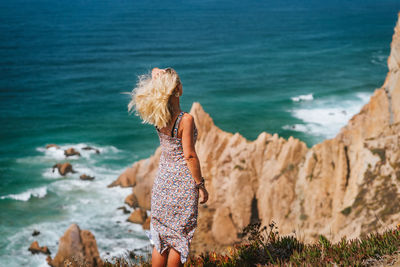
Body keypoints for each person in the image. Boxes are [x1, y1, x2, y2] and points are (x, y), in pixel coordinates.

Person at [127, 67, 209, 267]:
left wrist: (160, 76)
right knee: (178, 240)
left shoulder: (158, 115)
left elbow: (155, 71)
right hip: (182, 185)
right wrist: (201, 184)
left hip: (163, 183)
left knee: (161, 240)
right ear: (178, 89)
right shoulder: (185, 120)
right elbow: (189, 155)